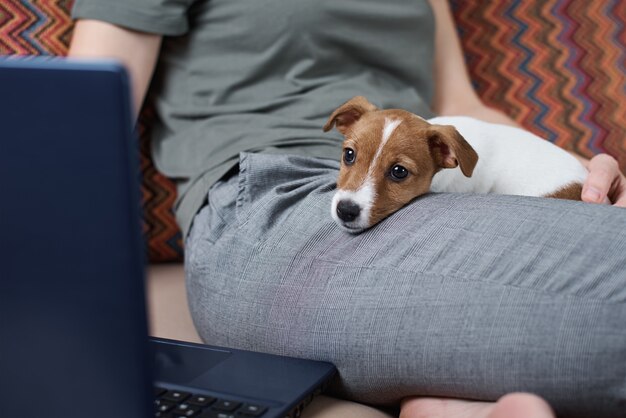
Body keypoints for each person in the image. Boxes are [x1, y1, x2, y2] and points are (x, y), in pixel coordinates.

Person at [68, 0, 626, 417]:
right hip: (269, 202)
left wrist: (589, 176)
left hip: (418, 191)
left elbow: (461, 112)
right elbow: (79, 116)